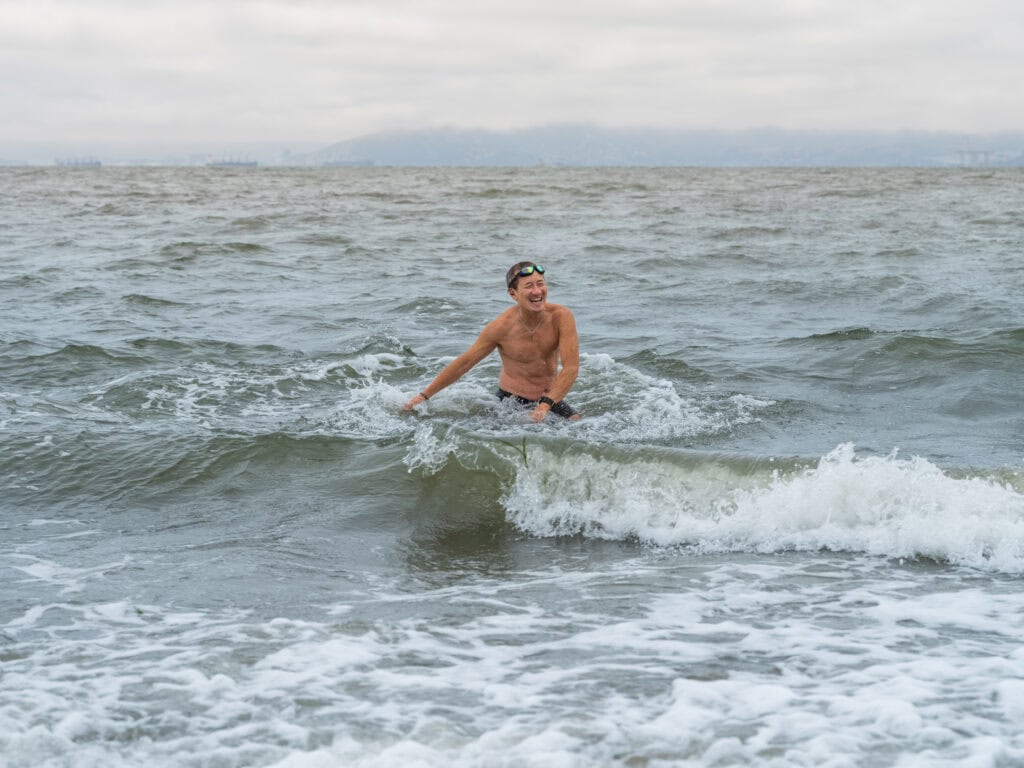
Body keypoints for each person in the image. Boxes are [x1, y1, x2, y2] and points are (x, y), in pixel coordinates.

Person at [403, 261, 580, 421]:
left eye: (540, 284)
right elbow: (464, 363)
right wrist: (424, 396)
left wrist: (544, 406)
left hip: (549, 399)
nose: (537, 291)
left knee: (577, 425)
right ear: (513, 294)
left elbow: (571, 367)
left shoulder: (561, 317)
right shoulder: (501, 328)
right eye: (529, 286)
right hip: (511, 402)